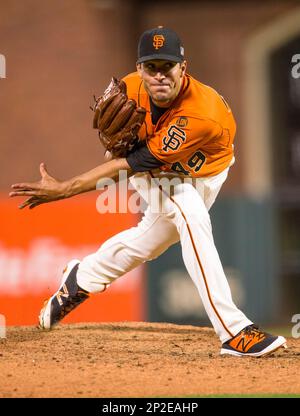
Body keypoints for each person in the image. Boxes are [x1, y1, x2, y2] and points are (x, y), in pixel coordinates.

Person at [10, 27, 287, 357]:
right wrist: (112, 147)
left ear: (183, 68)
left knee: (150, 241)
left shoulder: (201, 113)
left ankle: (81, 277)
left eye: (167, 66)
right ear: (139, 68)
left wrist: (66, 188)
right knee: (189, 212)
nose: (159, 75)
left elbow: (130, 163)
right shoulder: (126, 89)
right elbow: (118, 154)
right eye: (151, 66)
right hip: (163, 175)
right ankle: (234, 331)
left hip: (207, 175)